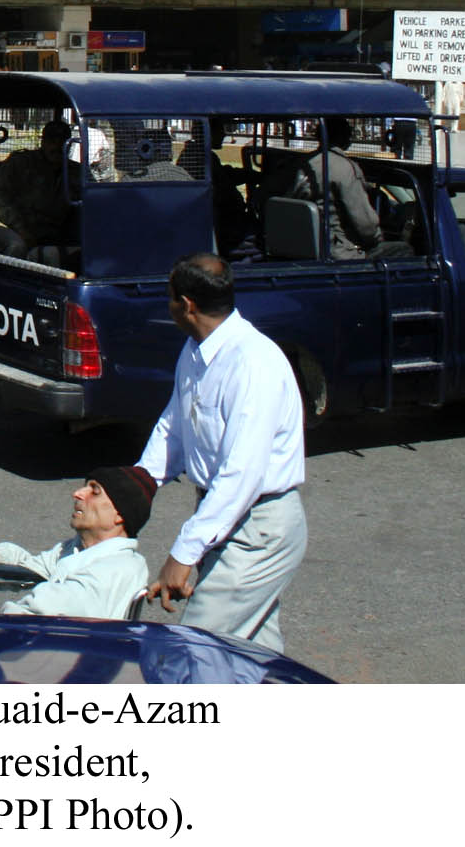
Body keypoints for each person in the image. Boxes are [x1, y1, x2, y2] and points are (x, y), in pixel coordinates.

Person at [139, 254, 306, 650]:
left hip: (257, 530)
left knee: (195, 650)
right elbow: (174, 427)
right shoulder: (195, 351)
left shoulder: (252, 363)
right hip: (225, 521)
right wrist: (134, 489)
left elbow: (240, 475)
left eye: (170, 299)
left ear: (187, 305)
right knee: (254, 658)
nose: (169, 306)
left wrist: (183, 554)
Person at [0, 466, 157, 619]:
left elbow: (44, 611)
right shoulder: (76, 549)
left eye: (94, 492)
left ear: (119, 515)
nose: (77, 493)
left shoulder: (117, 569)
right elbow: (31, 567)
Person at [263, 116, 412, 260]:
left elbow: (264, 196)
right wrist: (378, 236)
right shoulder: (345, 168)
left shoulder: (299, 164)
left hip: (294, 245)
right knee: (404, 250)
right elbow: (365, 225)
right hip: (336, 252)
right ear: (344, 137)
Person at [0, 119, 76, 261]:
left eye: (62, 141)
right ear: (43, 141)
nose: (56, 146)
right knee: (15, 247)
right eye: (52, 140)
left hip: (50, 230)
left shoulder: (76, 171)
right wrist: (22, 230)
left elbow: (91, 199)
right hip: (6, 224)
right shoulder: (19, 163)